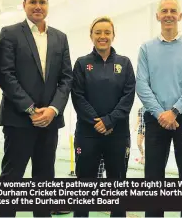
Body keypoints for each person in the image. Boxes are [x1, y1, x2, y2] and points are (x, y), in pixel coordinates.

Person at [0, 0, 72, 218]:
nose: (37, 6)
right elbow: (5, 75)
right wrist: (30, 109)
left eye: (42, 2)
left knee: (44, 180)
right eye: (33, 2)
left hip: (49, 122)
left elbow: (66, 78)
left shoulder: (60, 38)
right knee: (12, 179)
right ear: (24, 5)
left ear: (47, 4)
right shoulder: (10, 34)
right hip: (19, 120)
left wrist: (52, 109)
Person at [136, 0, 182, 217]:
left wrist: (173, 111)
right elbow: (142, 85)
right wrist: (160, 114)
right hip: (156, 119)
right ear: (157, 16)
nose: (168, 14)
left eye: (173, 11)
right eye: (164, 11)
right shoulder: (146, 49)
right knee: (153, 178)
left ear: (180, 16)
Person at [71, 16, 135, 218]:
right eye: (98, 32)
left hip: (117, 134)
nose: (102, 36)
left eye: (107, 32)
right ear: (91, 36)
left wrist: (109, 120)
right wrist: (97, 121)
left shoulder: (124, 64)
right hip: (87, 134)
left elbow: (128, 96)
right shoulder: (82, 64)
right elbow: (77, 96)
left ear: (113, 35)